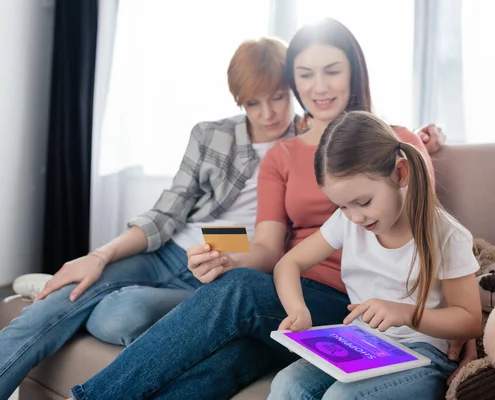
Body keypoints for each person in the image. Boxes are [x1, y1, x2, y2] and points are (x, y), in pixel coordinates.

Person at [67, 18, 453, 400]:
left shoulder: (397, 142)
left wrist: (455, 324)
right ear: (294, 82)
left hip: (358, 306)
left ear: (355, 71)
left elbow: (427, 234)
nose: (318, 87)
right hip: (290, 299)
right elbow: (269, 249)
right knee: (225, 362)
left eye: (332, 71)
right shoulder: (281, 155)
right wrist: (227, 263)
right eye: (305, 75)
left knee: (238, 291)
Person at [0, 36, 307, 400]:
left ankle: (99, 295)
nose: (268, 113)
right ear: (240, 101)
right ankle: (79, 289)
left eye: (278, 97)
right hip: (171, 251)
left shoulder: (307, 142)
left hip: (220, 274)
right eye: (254, 103)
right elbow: (167, 211)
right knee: (56, 304)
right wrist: (99, 256)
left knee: (117, 317)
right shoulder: (211, 135)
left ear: (294, 90)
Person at [268, 110, 481, 399]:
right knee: (287, 384)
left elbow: (469, 320)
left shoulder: (446, 235)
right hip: (361, 343)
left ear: (400, 174)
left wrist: (406, 314)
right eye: (342, 206)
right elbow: (288, 264)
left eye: (363, 202)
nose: (355, 217)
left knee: (342, 398)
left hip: (424, 353)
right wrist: (298, 311)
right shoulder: (348, 222)